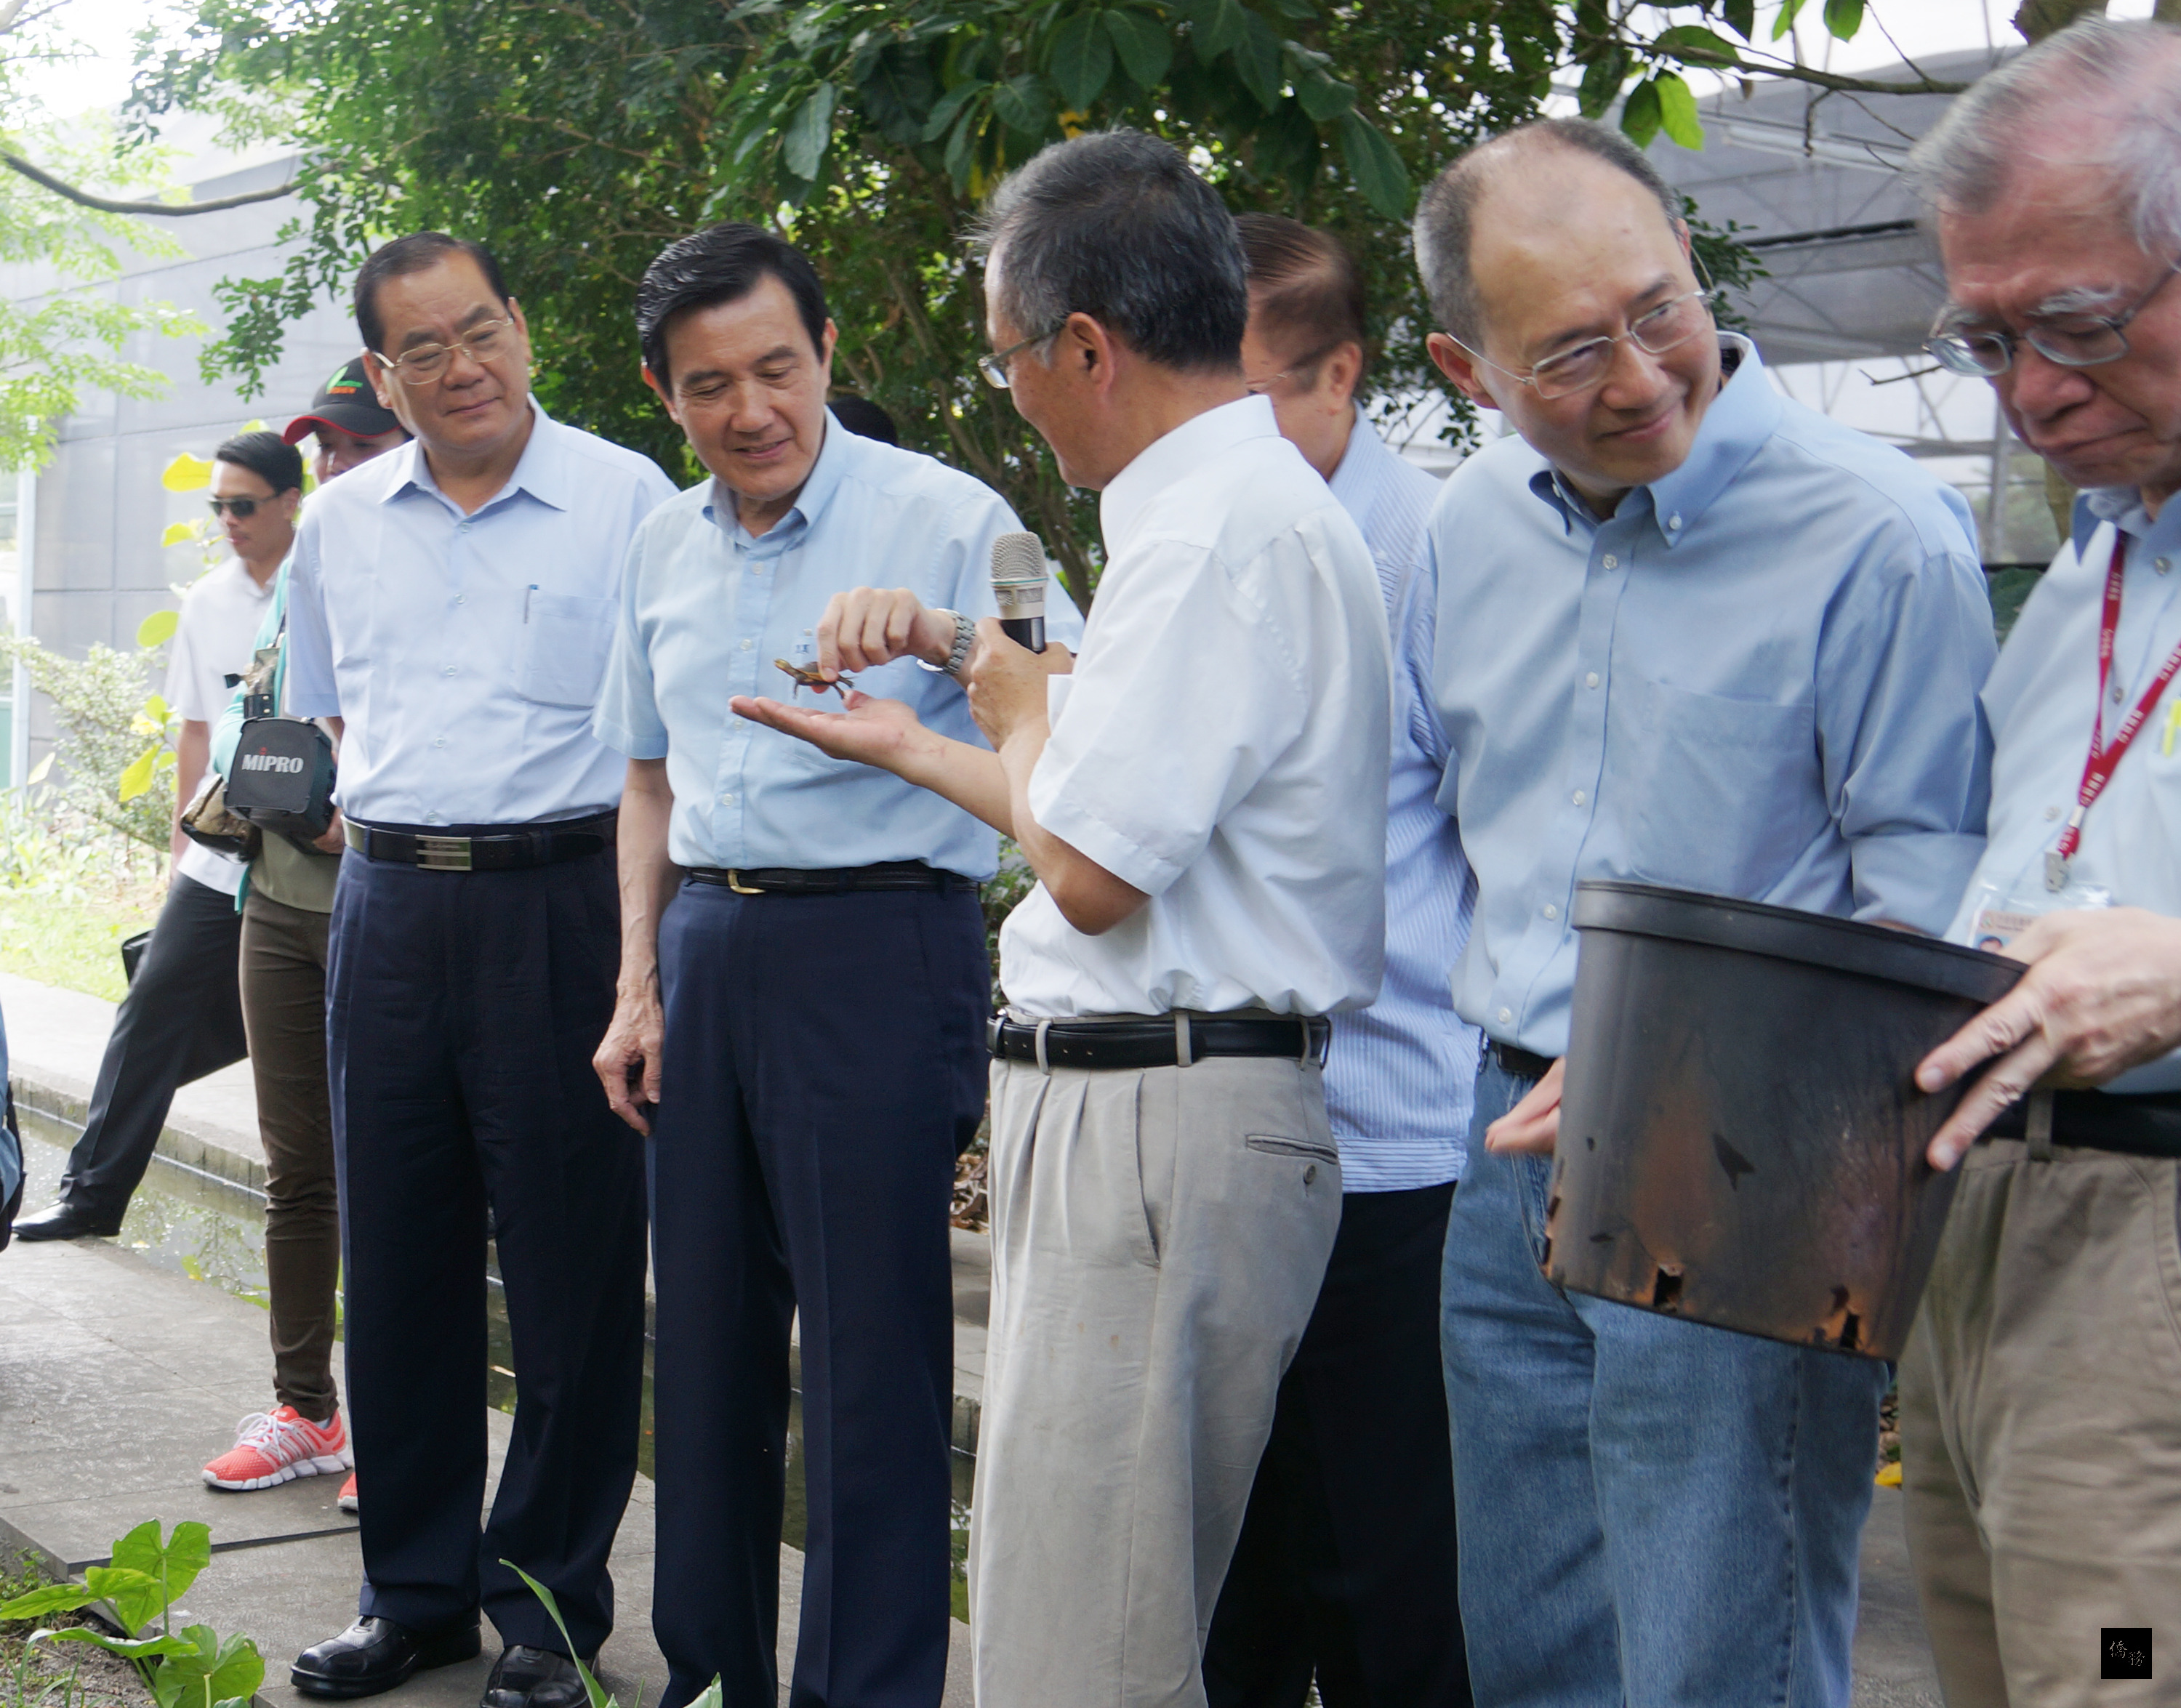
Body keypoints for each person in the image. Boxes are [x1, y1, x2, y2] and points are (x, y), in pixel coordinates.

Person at [735, 127, 1391, 1708]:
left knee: (1077, 1649)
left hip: (1158, 1116)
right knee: (1091, 1605)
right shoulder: (1228, 512)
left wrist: (1015, 698)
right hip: (1158, 1103)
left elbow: (1091, 865)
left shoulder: (1215, 531)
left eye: (1012, 355)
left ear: (1085, 345)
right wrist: (938, 728)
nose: (1013, 388)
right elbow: (1101, 783)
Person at [1414, 118, 1996, 1707]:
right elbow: (1430, 808)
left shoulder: (1879, 533)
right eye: (1572, 349)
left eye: (1658, 306)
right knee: (1530, 1633)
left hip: (1751, 1150)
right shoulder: (1462, 531)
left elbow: (1928, 914)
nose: (1643, 372)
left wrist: (1690, 1077)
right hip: (1501, 1122)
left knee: (1714, 1645)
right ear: (1467, 370)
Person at [590, 222, 1077, 1708]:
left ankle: (864, 1692)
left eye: (777, 369)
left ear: (826, 356)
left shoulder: (956, 517)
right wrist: (637, 983)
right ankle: (713, 1676)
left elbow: (1074, 714)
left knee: (870, 1363)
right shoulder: (663, 541)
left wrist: (940, 636)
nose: (751, 411)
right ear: (666, 394)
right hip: (707, 947)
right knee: (711, 1349)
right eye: (709, 384)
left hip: (877, 941)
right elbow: (649, 778)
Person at [282, 232, 675, 1708]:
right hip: (386, 907)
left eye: (481, 331)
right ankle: (417, 1590)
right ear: (384, 375)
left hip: (565, 905)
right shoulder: (338, 525)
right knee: (397, 1267)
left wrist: (646, 963)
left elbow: (665, 748)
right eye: (424, 351)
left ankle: (550, 1609)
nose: (463, 368)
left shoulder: (631, 499)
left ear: (522, 325)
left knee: (573, 1272)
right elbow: (324, 723)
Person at [1886, 22, 2181, 1699]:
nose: (2027, 389)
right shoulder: (2096, 555)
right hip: (1995, 1222)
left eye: (2075, 322)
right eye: (1982, 337)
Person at [1200, 214, 1472, 1708]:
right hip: (1236, 1146)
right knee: (1238, 1570)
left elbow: (1497, 840)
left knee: (1387, 1572)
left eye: (1231, 400)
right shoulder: (1213, 532)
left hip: (1391, 1143)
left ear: (1340, 376)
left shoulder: (1427, 551)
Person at [199, 359, 409, 1508]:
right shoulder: (303, 563)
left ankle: (393, 1423)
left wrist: (361, 819)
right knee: (297, 1171)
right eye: (325, 450)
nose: (335, 469)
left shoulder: (433, 558)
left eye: (358, 447)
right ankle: (305, 1409)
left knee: (393, 1171)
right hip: (275, 898)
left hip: (387, 900)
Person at [12, 432, 300, 1243]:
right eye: (218, 507)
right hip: (222, 850)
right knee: (151, 1005)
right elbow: (195, 733)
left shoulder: (326, 583)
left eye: (243, 505)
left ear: (289, 501)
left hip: (320, 853)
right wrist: (180, 854)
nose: (229, 521)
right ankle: (91, 1195)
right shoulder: (209, 600)